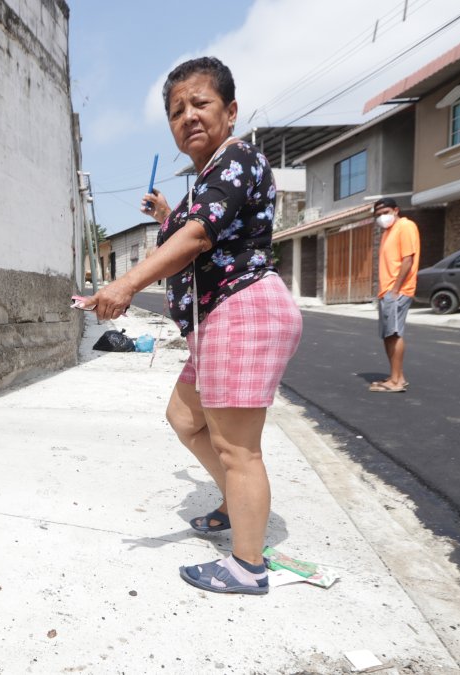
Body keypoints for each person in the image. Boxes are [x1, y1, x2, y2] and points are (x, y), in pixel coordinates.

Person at [83, 57, 302, 595]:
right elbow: (198, 228)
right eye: (177, 111)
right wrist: (165, 217)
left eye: (200, 103)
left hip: (242, 312)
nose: (189, 117)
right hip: (217, 321)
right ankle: (235, 503)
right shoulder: (209, 176)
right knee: (184, 417)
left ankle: (247, 566)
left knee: (238, 449)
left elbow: (198, 239)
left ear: (229, 110)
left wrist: (125, 285)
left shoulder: (236, 158)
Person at [368, 198, 420, 394]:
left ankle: (396, 382)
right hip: (387, 290)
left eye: (386, 212)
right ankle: (397, 376)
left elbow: (408, 259)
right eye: (378, 215)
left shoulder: (405, 226)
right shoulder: (387, 232)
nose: (382, 217)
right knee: (388, 335)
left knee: (395, 333)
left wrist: (396, 289)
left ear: (396, 210)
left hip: (397, 290)